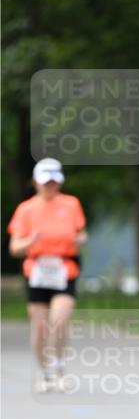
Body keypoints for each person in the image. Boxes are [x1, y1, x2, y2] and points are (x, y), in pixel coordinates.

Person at [8, 158, 87, 392]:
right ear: (35, 182)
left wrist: (80, 239)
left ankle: (60, 368)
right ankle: (45, 372)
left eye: (54, 182)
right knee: (40, 325)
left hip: (64, 269)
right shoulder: (26, 209)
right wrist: (30, 241)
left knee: (59, 319)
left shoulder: (71, 204)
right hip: (37, 271)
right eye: (45, 182)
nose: (50, 187)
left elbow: (82, 234)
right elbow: (14, 248)